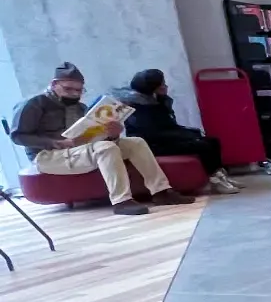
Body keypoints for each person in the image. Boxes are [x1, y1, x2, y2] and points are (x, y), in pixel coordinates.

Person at [9, 63, 195, 215]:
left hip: (79, 150)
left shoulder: (80, 107)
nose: (74, 94)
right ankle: (122, 201)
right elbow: (18, 136)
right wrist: (55, 142)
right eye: (68, 89)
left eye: (79, 91)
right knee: (106, 148)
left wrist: (113, 133)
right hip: (48, 156)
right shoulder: (33, 104)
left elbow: (92, 136)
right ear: (54, 83)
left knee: (135, 142)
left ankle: (161, 192)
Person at [111, 69, 241, 194]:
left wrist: (189, 132)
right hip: (153, 144)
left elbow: (168, 124)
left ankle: (221, 174)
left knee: (213, 141)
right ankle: (215, 181)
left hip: (165, 137)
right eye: (161, 84)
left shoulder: (156, 100)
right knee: (202, 146)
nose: (165, 86)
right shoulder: (138, 107)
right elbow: (153, 133)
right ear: (153, 87)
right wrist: (186, 136)